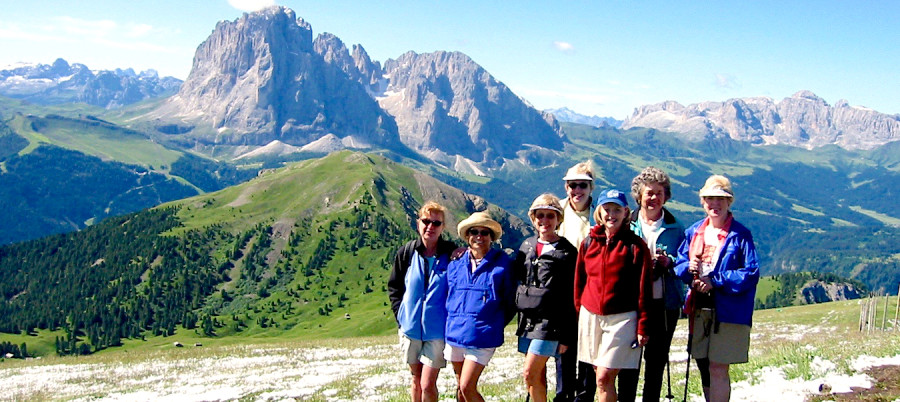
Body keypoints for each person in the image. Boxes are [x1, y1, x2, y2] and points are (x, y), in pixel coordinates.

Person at [674, 175, 759, 402]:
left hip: (727, 310)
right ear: (703, 202)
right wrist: (687, 269)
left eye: (721, 199)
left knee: (718, 368)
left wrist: (716, 280)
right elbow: (679, 263)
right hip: (699, 307)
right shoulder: (693, 233)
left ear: (729, 202)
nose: (715, 204)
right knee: (704, 365)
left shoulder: (740, 235)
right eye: (710, 199)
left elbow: (750, 273)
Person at [574, 189, 653, 402]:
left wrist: (643, 326)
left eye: (616, 209)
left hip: (623, 319)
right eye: (607, 209)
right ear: (599, 211)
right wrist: (580, 311)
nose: (611, 214)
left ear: (626, 212)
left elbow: (644, 289)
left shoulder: (636, 246)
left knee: (603, 376)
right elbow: (579, 281)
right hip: (590, 316)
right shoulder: (589, 243)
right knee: (601, 378)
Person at [617, 167, 686, 401]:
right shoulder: (626, 224)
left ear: (666, 196)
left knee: (656, 362)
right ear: (639, 196)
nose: (654, 198)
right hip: (631, 303)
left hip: (664, 303)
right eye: (649, 193)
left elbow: (684, 261)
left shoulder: (677, 228)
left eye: (659, 192)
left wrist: (670, 261)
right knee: (629, 362)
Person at [387, 201, 458, 402]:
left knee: (427, 384)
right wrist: (401, 316)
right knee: (416, 379)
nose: (430, 227)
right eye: (426, 221)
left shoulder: (451, 254)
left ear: (443, 227)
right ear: (418, 223)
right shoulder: (407, 252)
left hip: (437, 331)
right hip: (410, 329)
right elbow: (395, 287)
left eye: (436, 223)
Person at [445, 211, 516, 402]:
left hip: (483, 335)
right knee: (460, 387)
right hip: (455, 333)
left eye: (484, 233)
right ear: (467, 236)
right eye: (474, 231)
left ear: (491, 237)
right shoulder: (455, 265)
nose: (479, 236)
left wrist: (494, 322)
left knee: (468, 387)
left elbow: (510, 301)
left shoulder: (502, 265)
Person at [514, 194, 578, 402]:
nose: (545, 221)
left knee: (529, 373)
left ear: (559, 219)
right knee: (537, 377)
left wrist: (568, 335)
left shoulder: (568, 252)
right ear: (533, 218)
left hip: (552, 322)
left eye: (550, 216)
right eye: (540, 215)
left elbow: (572, 295)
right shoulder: (527, 246)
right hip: (527, 320)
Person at [555, 161, 596, 402]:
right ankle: (564, 395)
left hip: (591, 290)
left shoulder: (601, 212)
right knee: (564, 349)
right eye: (572, 185)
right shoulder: (557, 211)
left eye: (582, 185)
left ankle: (584, 397)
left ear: (591, 187)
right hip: (563, 291)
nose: (577, 190)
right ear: (566, 187)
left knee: (588, 350)